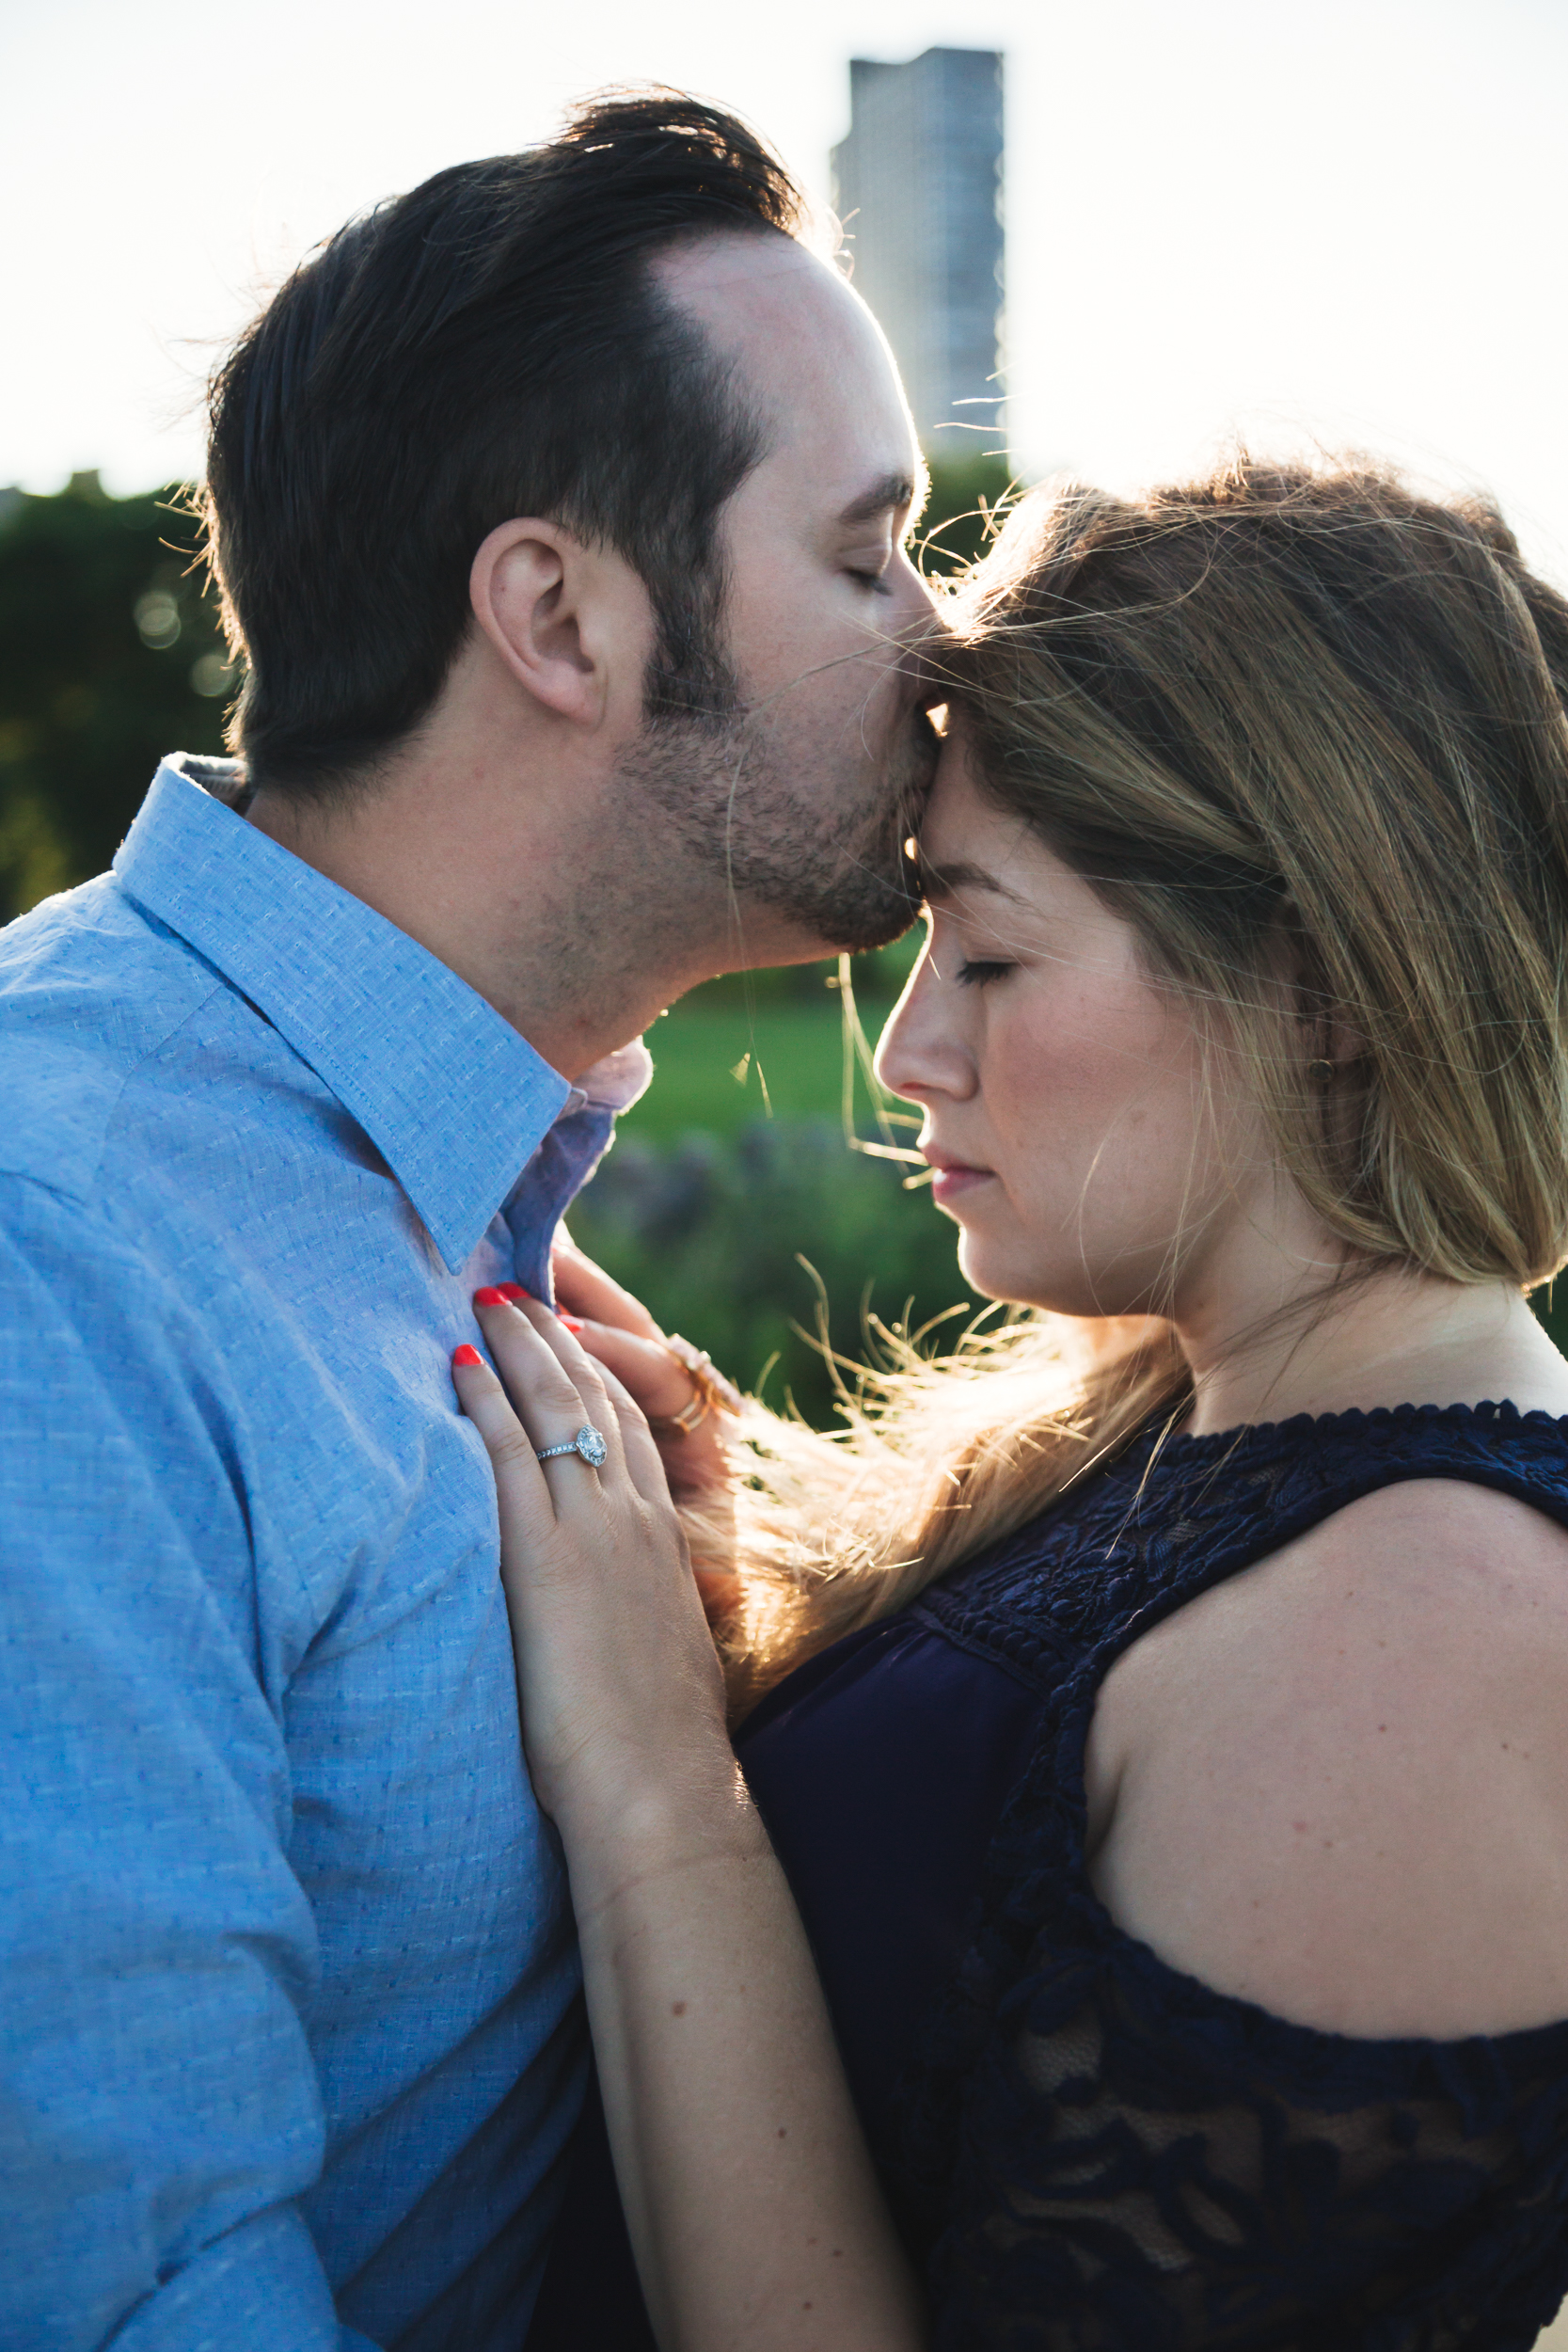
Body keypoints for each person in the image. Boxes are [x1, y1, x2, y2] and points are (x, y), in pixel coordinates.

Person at [0, 94, 938, 2349]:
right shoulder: (58, 1240)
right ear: (557, 614)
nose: (946, 641)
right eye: (866, 552)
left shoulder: (448, 1186)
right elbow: (141, 2291)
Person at [455, 457, 1568, 2350]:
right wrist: (732, 1594)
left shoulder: (1443, 1618)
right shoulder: (1210, 1420)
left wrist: (660, 1783)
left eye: (989, 952)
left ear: (1319, 990)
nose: (910, 1049)